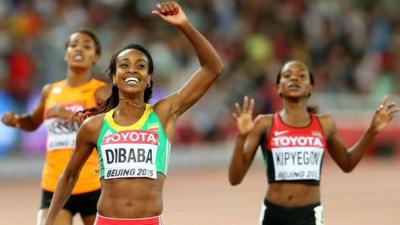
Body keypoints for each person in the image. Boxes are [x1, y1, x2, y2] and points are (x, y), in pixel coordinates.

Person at [43, 2, 224, 225]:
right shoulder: (94, 126)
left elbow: (213, 68)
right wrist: (48, 220)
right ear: (114, 77)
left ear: (148, 78)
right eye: (124, 65)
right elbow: (69, 176)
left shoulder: (163, 114)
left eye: (140, 66)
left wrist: (184, 25)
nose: (132, 70)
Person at [228, 60, 399, 225]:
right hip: (273, 214)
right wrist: (241, 137)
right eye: (287, 75)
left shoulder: (325, 124)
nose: (294, 78)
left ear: (310, 88)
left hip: (308, 216)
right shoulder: (265, 123)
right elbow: (235, 179)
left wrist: (372, 131)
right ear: (278, 88)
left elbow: (347, 164)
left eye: (301, 76)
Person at [1, 29, 110, 225]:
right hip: (55, 185)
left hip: (93, 185)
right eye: (74, 45)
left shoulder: (101, 91)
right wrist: (17, 120)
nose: (79, 50)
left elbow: (109, 129)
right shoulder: (50, 91)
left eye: (87, 46)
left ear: (96, 57)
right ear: (65, 53)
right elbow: (33, 122)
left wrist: (68, 115)